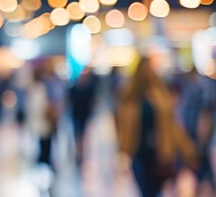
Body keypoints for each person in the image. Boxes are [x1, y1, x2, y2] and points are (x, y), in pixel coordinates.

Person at [117, 58, 197, 197]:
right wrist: (123, 152)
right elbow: (124, 128)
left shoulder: (160, 93)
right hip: (139, 152)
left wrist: (186, 150)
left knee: (154, 191)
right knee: (145, 190)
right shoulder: (131, 97)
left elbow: (172, 124)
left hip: (159, 153)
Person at [69, 68, 98, 166]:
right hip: (76, 115)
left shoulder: (89, 88)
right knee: (77, 135)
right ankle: (79, 153)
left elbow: (93, 102)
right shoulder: (74, 88)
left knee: (83, 134)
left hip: (84, 115)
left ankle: (82, 152)